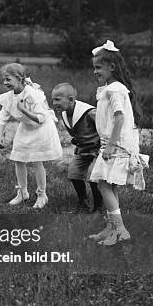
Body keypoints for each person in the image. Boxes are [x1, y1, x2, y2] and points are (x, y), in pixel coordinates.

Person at [88, 40, 147, 246]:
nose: (95, 71)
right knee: (109, 185)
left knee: (103, 184)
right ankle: (111, 227)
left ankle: (120, 229)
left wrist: (111, 145)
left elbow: (120, 117)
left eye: (98, 67)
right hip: (112, 142)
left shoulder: (115, 89)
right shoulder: (110, 88)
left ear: (112, 67)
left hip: (117, 144)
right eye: (94, 67)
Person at [0, 63, 62, 209]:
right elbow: (2, 116)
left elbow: (41, 118)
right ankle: (22, 192)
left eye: (8, 79)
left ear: (19, 79)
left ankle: (42, 195)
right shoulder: (8, 97)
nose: (5, 83)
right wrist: (1, 134)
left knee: (36, 161)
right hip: (26, 127)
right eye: (4, 79)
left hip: (41, 128)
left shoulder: (32, 94)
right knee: (18, 159)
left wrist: (23, 110)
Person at [51, 82, 103, 212]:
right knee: (74, 174)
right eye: (52, 99)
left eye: (57, 99)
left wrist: (106, 146)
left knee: (93, 177)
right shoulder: (65, 113)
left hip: (98, 150)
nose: (54, 102)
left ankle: (98, 207)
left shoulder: (90, 112)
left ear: (71, 100)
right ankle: (83, 202)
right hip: (82, 150)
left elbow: (106, 127)